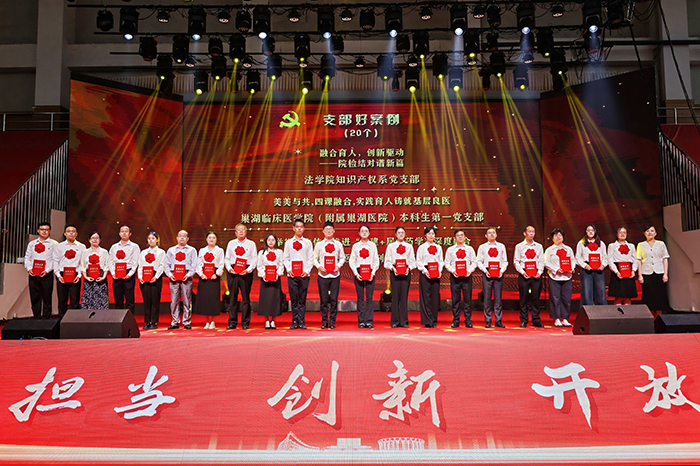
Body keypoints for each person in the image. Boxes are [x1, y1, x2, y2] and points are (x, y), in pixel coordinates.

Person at [224, 224, 257, 330]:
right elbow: (227, 258)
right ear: (235, 232)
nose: (241, 232)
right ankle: (232, 322)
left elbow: (254, 259)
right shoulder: (231, 243)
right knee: (232, 298)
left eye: (243, 230)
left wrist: (248, 270)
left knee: (246, 298)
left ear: (246, 232)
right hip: (233, 271)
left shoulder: (251, 244)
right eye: (239, 230)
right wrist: (230, 269)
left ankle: (245, 322)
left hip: (246, 271)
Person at [313, 221, 346, 329]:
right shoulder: (319, 245)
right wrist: (319, 267)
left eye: (330, 229)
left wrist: (338, 266)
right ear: (323, 231)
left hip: (335, 275)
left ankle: (332, 322)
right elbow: (314, 258)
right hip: (323, 276)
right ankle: (324, 321)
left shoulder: (338, 244)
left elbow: (342, 258)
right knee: (323, 299)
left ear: (334, 231)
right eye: (326, 230)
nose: (328, 231)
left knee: (333, 299)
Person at [283, 219, 314, 329]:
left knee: (302, 298)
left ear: (304, 229)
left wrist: (307, 271)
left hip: (304, 275)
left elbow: (310, 258)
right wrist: (289, 270)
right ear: (293, 228)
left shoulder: (308, 243)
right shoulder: (288, 243)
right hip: (292, 275)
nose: (299, 229)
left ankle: (301, 321)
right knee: (294, 298)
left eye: (301, 227)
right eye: (297, 226)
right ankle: (294, 321)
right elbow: (285, 258)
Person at [164, 230, 197, 330]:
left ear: (187, 239)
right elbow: (166, 264)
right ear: (177, 238)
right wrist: (170, 275)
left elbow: (194, 265)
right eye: (180, 236)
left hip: (186, 276)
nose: (182, 238)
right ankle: (175, 322)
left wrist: (188, 275)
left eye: (184, 236)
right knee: (174, 301)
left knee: (187, 300)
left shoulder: (192, 250)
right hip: (174, 276)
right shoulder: (171, 250)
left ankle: (186, 321)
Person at [24, 222, 58, 319]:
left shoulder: (54, 244)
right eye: (42, 229)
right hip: (33, 275)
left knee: (47, 299)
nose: (44, 232)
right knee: (34, 298)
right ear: (38, 231)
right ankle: (36, 319)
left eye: (46, 230)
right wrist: (29, 269)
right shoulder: (32, 244)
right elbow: (27, 258)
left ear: (49, 231)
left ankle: (46, 320)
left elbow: (55, 260)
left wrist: (47, 270)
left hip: (47, 275)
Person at [384, 226, 416, 328]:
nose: (401, 234)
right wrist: (392, 268)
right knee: (395, 297)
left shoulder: (409, 246)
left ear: (405, 234)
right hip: (395, 272)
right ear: (395, 234)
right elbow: (386, 262)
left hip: (406, 272)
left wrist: (409, 268)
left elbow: (413, 262)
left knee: (404, 297)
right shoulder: (391, 246)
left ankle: (404, 321)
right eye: (399, 232)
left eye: (402, 232)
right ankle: (395, 321)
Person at [513, 225, 545, 328]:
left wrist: (539, 272)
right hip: (524, 274)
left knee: (536, 298)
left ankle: (536, 320)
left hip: (536, 275)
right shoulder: (519, 246)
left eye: (533, 231)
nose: (531, 233)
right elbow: (516, 261)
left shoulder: (539, 246)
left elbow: (541, 261)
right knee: (524, 298)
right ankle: (524, 320)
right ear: (524, 233)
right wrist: (523, 272)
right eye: (529, 231)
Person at [476, 227, 508, 328]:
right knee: (487, 297)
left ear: (496, 235)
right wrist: (485, 271)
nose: (491, 234)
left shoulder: (501, 246)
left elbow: (505, 261)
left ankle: (498, 320)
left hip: (498, 272)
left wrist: (501, 271)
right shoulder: (482, 247)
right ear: (486, 235)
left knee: (498, 298)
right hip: (487, 272)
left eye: (493, 232)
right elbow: (478, 261)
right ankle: (488, 320)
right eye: (489, 233)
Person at [349, 224, 380, 329]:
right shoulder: (355, 246)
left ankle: (369, 321)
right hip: (359, 272)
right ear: (359, 233)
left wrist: (373, 273)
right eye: (362, 231)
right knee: (360, 298)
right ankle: (361, 321)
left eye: (366, 231)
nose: (364, 233)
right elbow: (352, 261)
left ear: (369, 233)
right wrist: (356, 273)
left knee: (370, 298)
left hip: (370, 272)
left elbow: (376, 260)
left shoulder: (373, 245)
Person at [445, 229, 477, 328]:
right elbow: (447, 263)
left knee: (467, 300)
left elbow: (474, 262)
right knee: (455, 299)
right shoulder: (450, 250)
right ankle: (456, 320)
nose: (460, 237)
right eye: (458, 235)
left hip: (467, 277)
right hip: (455, 277)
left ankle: (468, 320)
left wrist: (469, 270)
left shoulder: (470, 249)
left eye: (462, 235)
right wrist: (452, 270)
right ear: (455, 238)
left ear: (465, 237)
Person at [544, 228, 576, 327]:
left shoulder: (568, 249)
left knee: (566, 298)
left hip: (567, 277)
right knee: (555, 298)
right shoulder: (549, 250)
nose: (558, 237)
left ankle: (565, 318)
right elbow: (546, 262)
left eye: (560, 235)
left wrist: (571, 268)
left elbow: (573, 260)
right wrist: (556, 269)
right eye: (556, 235)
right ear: (552, 238)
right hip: (554, 277)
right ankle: (557, 318)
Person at [53, 224, 86, 318]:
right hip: (62, 274)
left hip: (75, 274)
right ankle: (61, 319)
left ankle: (74, 320)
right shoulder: (59, 246)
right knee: (62, 299)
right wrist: (58, 275)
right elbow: (55, 261)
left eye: (73, 231)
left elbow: (82, 262)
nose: (71, 233)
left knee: (75, 300)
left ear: (76, 234)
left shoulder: (81, 246)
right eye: (69, 231)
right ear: (65, 233)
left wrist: (79, 275)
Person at [194, 231, 225, 329]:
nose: (212, 239)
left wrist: (217, 274)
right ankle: (207, 321)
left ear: (216, 239)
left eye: (214, 238)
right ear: (206, 239)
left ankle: (213, 321)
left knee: (213, 299)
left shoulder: (219, 250)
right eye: (210, 238)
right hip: (204, 276)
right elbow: (199, 263)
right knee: (205, 300)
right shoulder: (202, 250)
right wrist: (201, 274)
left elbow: (221, 264)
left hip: (214, 276)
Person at [637, 225, 670, 313]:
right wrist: (640, 275)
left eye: (652, 231)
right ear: (644, 233)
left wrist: (665, 274)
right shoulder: (640, 245)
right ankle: (650, 316)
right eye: (647, 231)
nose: (650, 233)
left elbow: (665, 259)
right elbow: (639, 261)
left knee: (660, 295)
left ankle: (659, 316)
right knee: (648, 296)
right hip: (646, 273)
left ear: (655, 233)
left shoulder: (661, 244)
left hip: (659, 272)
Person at [416, 226, 444, 328]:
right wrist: (425, 271)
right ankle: (427, 320)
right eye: (429, 234)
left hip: (436, 272)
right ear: (425, 235)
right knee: (425, 297)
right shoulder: (421, 247)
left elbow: (441, 261)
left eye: (433, 234)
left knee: (435, 297)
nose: (431, 235)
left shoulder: (439, 247)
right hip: (425, 272)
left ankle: (434, 319)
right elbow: (418, 261)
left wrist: (439, 270)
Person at [108, 225, 140, 314]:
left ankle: (130, 319)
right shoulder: (114, 247)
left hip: (128, 273)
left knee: (130, 300)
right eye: (122, 231)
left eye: (126, 231)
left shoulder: (134, 246)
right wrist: (113, 273)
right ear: (119, 233)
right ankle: (118, 319)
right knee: (118, 299)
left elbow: (135, 262)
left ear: (130, 234)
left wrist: (130, 274)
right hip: (116, 274)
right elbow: (110, 261)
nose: (124, 233)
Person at [575, 224, 608, 306]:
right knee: (587, 292)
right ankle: (587, 312)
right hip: (587, 269)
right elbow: (577, 258)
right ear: (586, 232)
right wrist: (585, 266)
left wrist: (603, 265)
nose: (590, 232)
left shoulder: (601, 243)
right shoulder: (581, 243)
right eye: (588, 230)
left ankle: (601, 311)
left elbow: (605, 257)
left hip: (599, 269)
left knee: (601, 292)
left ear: (595, 231)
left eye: (592, 230)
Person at [257, 233, 285, 329]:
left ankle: (273, 320)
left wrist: (277, 274)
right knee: (265, 300)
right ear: (266, 241)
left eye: (273, 240)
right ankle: (266, 321)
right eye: (269, 240)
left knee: (275, 300)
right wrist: (263, 274)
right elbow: (259, 266)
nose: (271, 242)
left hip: (276, 279)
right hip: (265, 279)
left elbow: (281, 265)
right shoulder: (261, 253)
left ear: (276, 241)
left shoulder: (279, 252)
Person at [138, 231, 165, 330]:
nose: (151, 240)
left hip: (155, 277)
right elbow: (140, 265)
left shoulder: (161, 252)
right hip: (145, 277)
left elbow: (162, 265)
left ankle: (154, 321)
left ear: (157, 240)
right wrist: (140, 276)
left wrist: (156, 276)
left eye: (153, 238)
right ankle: (147, 321)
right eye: (149, 238)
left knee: (155, 300)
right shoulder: (143, 252)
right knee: (146, 301)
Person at [607, 226, 638, 305]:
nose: (622, 234)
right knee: (618, 298)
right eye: (620, 232)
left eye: (624, 232)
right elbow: (610, 260)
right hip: (617, 271)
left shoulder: (631, 246)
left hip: (628, 271)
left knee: (628, 297)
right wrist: (616, 272)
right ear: (616, 234)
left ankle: (628, 313)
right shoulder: (612, 246)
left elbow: (635, 259)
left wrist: (633, 270)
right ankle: (618, 313)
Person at [80, 231, 109, 310]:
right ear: (89, 240)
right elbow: (82, 266)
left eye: (97, 238)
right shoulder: (85, 252)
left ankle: (101, 316)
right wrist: (86, 277)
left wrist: (103, 277)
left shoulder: (104, 252)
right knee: (88, 299)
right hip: (88, 277)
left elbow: (106, 266)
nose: (95, 240)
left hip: (101, 277)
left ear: (100, 240)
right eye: (93, 238)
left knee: (101, 299)